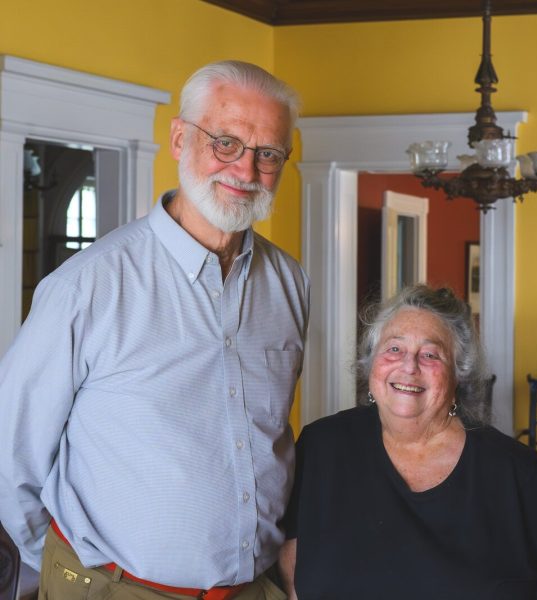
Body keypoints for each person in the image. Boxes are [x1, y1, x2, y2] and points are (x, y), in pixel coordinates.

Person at [0, 60, 309, 599]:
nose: (247, 170)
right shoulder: (86, 287)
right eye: (226, 143)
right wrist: (69, 572)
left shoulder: (289, 283)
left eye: (268, 154)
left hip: (253, 588)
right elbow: (11, 456)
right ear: (179, 138)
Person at [278, 285, 537, 599]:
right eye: (394, 349)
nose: (409, 366)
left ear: (458, 374)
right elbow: (294, 579)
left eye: (430, 354)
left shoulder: (515, 471)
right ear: (372, 364)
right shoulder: (321, 448)